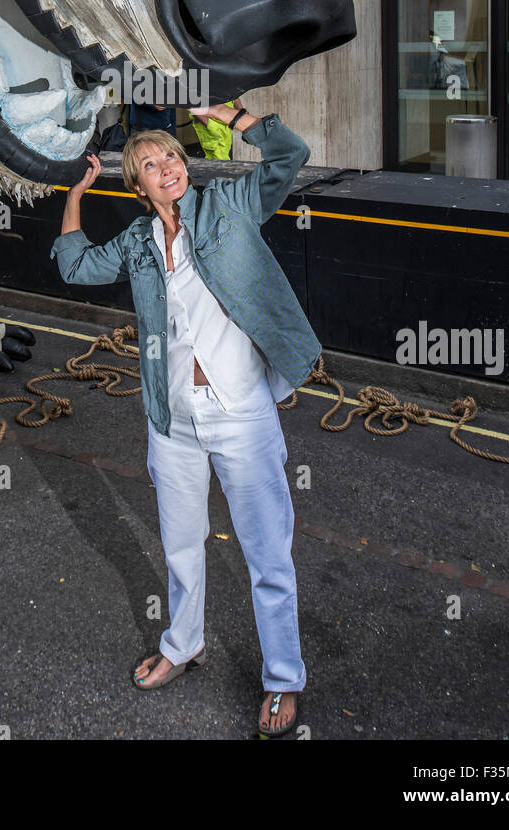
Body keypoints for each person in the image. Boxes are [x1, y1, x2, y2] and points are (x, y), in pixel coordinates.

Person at [50, 102, 322, 737]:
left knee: (266, 555)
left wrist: (235, 117)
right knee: (179, 546)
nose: (165, 166)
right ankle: (184, 643)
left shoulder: (229, 204)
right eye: (148, 163)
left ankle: (283, 677)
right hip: (172, 417)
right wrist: (75, 194)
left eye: (170, 156)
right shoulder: (139, 243)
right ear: (137, 186)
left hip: (242, 412)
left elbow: (291, 156)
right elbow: (73, 264)